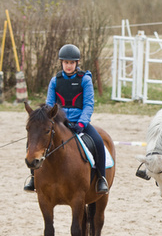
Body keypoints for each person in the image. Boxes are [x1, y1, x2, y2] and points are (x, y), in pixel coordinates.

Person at [24, 44, 109, 194]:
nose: (68, 66)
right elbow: (49, 106)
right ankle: (32, 177)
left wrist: (82, 123)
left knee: (97, 142)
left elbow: (88, 104)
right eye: (66, 62)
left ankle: (101, 178)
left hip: (79, 123)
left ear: (76, 63)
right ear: (61, 63)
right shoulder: (55, 81)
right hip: (59, 123)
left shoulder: (85, 80)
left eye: (71, 63)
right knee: (33, 141)